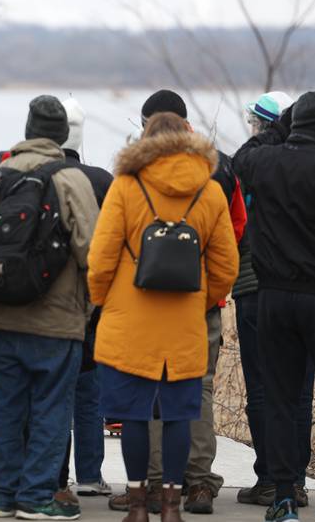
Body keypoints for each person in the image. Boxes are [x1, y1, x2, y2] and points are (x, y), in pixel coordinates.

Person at [89, 112, 239, 522]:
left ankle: (139, 506)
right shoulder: (209, 192)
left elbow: (101, 258)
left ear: (145, 141)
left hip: (128, 324)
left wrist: (105, 301)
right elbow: (227, 265)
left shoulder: (126, 186)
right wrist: (203, 301)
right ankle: (172, 507)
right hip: (185, 324)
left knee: (135, 415)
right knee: (177, 415)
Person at [232, 91, 315, 522]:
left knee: (279, 398)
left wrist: (280, 127)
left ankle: (284, 498)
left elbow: (242, 155)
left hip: (273, 298)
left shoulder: (265, 164)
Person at [0, 95, 99, 520]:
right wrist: (87, 308)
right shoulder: (71, 179)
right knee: (51, 407)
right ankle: (38, 497)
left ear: (27, 130)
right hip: (56, 319)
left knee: (7, 408)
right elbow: (93, 253)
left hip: (0, 315)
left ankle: (3, 497)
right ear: (62, 135)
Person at [233, 91, 315, 508]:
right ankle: (296, 479)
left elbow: (234, 226)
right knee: (300, 390)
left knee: (263, 388)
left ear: (261, 125)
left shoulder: (250, 166)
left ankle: (270, 477)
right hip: (307, 294)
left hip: (253, 287)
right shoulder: (313, 167)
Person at [54, 97, 114, 503]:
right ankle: (90, 474)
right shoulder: (103, 180)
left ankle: (53, 477)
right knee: (88, 391)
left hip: (45, 303)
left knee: (51, 392)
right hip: (92, 300)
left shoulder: (38, 174)